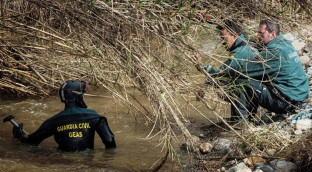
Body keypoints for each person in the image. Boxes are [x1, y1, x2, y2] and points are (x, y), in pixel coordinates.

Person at [228, 19, 309, 121]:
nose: (258, 36)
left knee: (242, 81)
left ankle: (240, 122)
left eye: (261, 33)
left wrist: (218, 71)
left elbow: (244, 70)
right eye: (258, 33)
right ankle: (249, 117)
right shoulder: (285, 43)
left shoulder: (274, 52)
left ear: (273, 34)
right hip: (300, 95)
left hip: (287, 103)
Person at [12, 80, 116, 151]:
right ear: (78, 97)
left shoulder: (53, 121)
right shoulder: (96, 118)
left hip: (62, 161)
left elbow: (31, 143)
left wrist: (19, 134)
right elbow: (110, 141)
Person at [195, 19, 258, 118]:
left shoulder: (239, 53)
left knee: (221, 83)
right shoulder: (246, 43)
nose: (221, 42)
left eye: (224, 38)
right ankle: (243, 116)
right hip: (256, 88)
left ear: (234, 35)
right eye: (220, 38)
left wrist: (200, 66)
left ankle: (240, 119)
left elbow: (220, 74)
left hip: (253, 90)